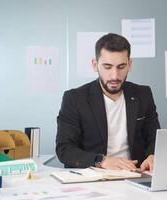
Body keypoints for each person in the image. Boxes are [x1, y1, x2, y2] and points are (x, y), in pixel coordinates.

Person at [56, 33, 160, 172]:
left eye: (121, 67)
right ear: (95, 65)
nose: (115, 76)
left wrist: (152, 156)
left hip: (135, 175)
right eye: (107, 67)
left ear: (129, 64)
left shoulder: (143, 94)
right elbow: (64, 149)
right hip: (93, 177)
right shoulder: (75, 98)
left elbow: (155, 138)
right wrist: (101, 161)